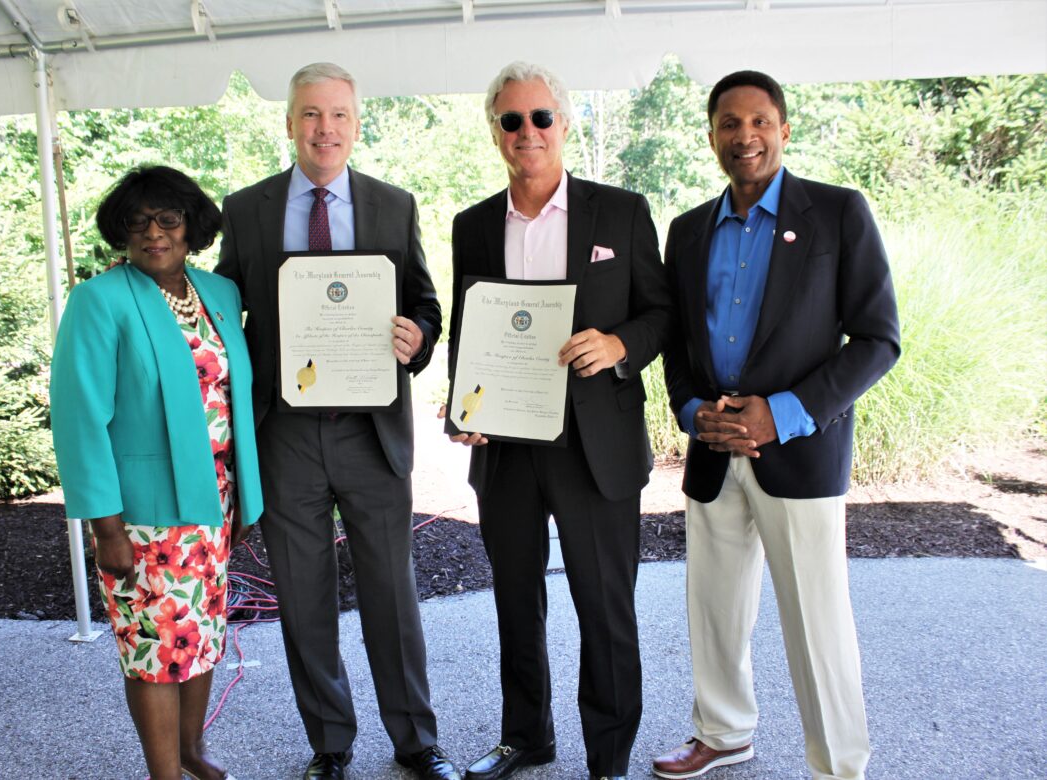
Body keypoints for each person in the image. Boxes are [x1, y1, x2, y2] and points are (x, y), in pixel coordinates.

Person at [652, 70, 901, 780]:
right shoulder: (689, 229)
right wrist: (691, 409)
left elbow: (879, 340)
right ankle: (724, 734)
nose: (745, 136)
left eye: (759, 121)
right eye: (729, 124)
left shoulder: (839, 213)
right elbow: (677, 341)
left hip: (798, 448)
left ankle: (839, 765)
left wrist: (781, 414)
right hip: (713, 447)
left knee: (817, 625)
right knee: (715, 611)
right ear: (711, 137)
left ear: (784, 130)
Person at [214, 63, 458, 780]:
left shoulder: (393, 205)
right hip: (286, 432)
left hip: (368, 429)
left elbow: (424, 302)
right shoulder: (248, 208)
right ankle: (329, 742)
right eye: (311, 115)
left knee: (392, 594)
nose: (326, 129)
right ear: (289, 124)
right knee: (302, 596)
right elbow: (229, 315)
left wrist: (418, 335)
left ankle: (415, 740)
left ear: (357, 124)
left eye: (339, 115)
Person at [444, 62, 672, 780]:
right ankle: (526, 737)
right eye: (511, 120)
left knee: (605, 609)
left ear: (565, 124)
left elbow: (662, 312)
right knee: (515, 600)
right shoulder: (473, 225)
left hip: (594, 444)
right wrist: (462, 410)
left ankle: (608, 758)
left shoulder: (621, 211)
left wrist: (619, 345)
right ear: (495, 132)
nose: (527, 132)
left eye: (541, 117)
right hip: (507, 445)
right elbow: (467, 327)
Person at [50, 165, 263, 780]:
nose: (154, 233)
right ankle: (164, 773)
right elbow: (80, 419)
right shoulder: (99, 301)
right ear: (121, 231)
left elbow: (233, 395)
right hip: (141, 512)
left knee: (199, 632)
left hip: (214, 500)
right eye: (138, 222)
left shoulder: (219, 294)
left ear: (191, 227)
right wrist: (104, 526)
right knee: (154, 647)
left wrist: (244, 493)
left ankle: (192, 753)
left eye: (168, 219)